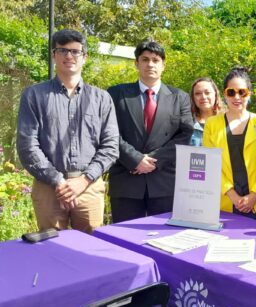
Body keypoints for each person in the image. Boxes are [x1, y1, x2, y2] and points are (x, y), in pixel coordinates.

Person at [16, 29, 119, 233]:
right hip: (48, 188)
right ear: (54, 55)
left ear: (85, 57)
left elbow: (110, 145)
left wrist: (84, 180)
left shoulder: (101, 99)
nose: (69, 56)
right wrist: (57, 180)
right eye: (62, 51)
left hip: (88, 186)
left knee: (91, 250)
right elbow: (27, 145)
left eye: (75, 51)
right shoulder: (34, 96)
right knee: (52, 250)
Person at [107, 40, 194, 223]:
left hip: (164, 184)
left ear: (163, 65)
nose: (150, 64)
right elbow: (108, 132)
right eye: (145, 59)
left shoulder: (180, 98)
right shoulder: (116, 94)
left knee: (164, 240)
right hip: (126, 182)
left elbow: (184, 135)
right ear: (136, 63)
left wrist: (154, 160)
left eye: (155, 60)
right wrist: (135, 159)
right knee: (124, 243)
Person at [203, 67, 256, 223]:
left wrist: (254, 195)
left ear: (249, 94)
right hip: (226, 201)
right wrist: (232, 195)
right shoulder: (212, 124)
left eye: (242, 92)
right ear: (224, 94)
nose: (237, 97)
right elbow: (210, 165)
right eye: (231, 92)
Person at [189, 77, 223, 146]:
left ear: (215, 94)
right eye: (198, 93)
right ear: (193, 98)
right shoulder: (187, 124)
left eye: (207, 92)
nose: (203, 97)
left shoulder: (228, 122)